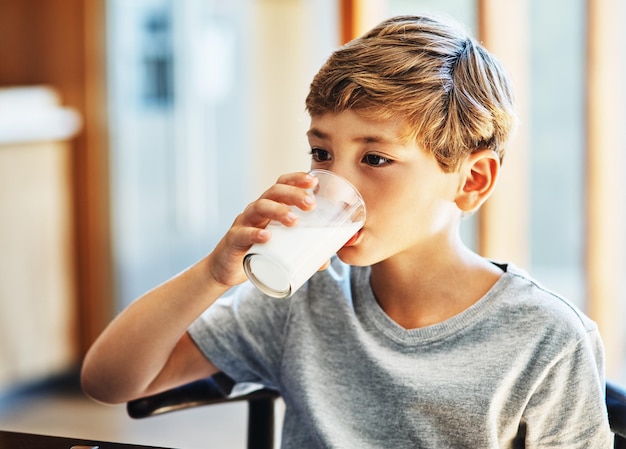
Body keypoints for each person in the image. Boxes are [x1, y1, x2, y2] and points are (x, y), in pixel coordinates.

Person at [81, 14, 613, 448]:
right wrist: (213, 273)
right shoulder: (301, 298)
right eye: (322, 153)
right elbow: (110, 381)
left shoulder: (546, 338)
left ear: (471, 181)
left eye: (375, 157)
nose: (333, 181)